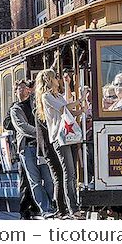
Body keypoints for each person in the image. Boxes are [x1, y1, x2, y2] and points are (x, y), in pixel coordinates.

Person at [35, 69, 83, 219]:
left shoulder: (57, 95)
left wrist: (81, 110)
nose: (57, 79)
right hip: (59, 138)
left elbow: (69, 112)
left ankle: (72, 207)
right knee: (68, 172)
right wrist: (80, 100)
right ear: (49, 80)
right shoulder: (46, 96)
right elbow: (63, 109)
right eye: (55, 77)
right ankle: (72, 208)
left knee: (72, 173)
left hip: (68, 136)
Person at [10, 80, 54, 219]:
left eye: (24, 88)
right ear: (15, 91)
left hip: (42, 147)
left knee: (48, 178)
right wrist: (41, 132)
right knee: (34, 180)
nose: (22, 90)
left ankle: (54, 205)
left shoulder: (36, 104)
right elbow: (22, 127)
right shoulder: (15, 109)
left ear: (29, 90)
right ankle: (45, 208)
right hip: (27, 148)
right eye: (19, 88)